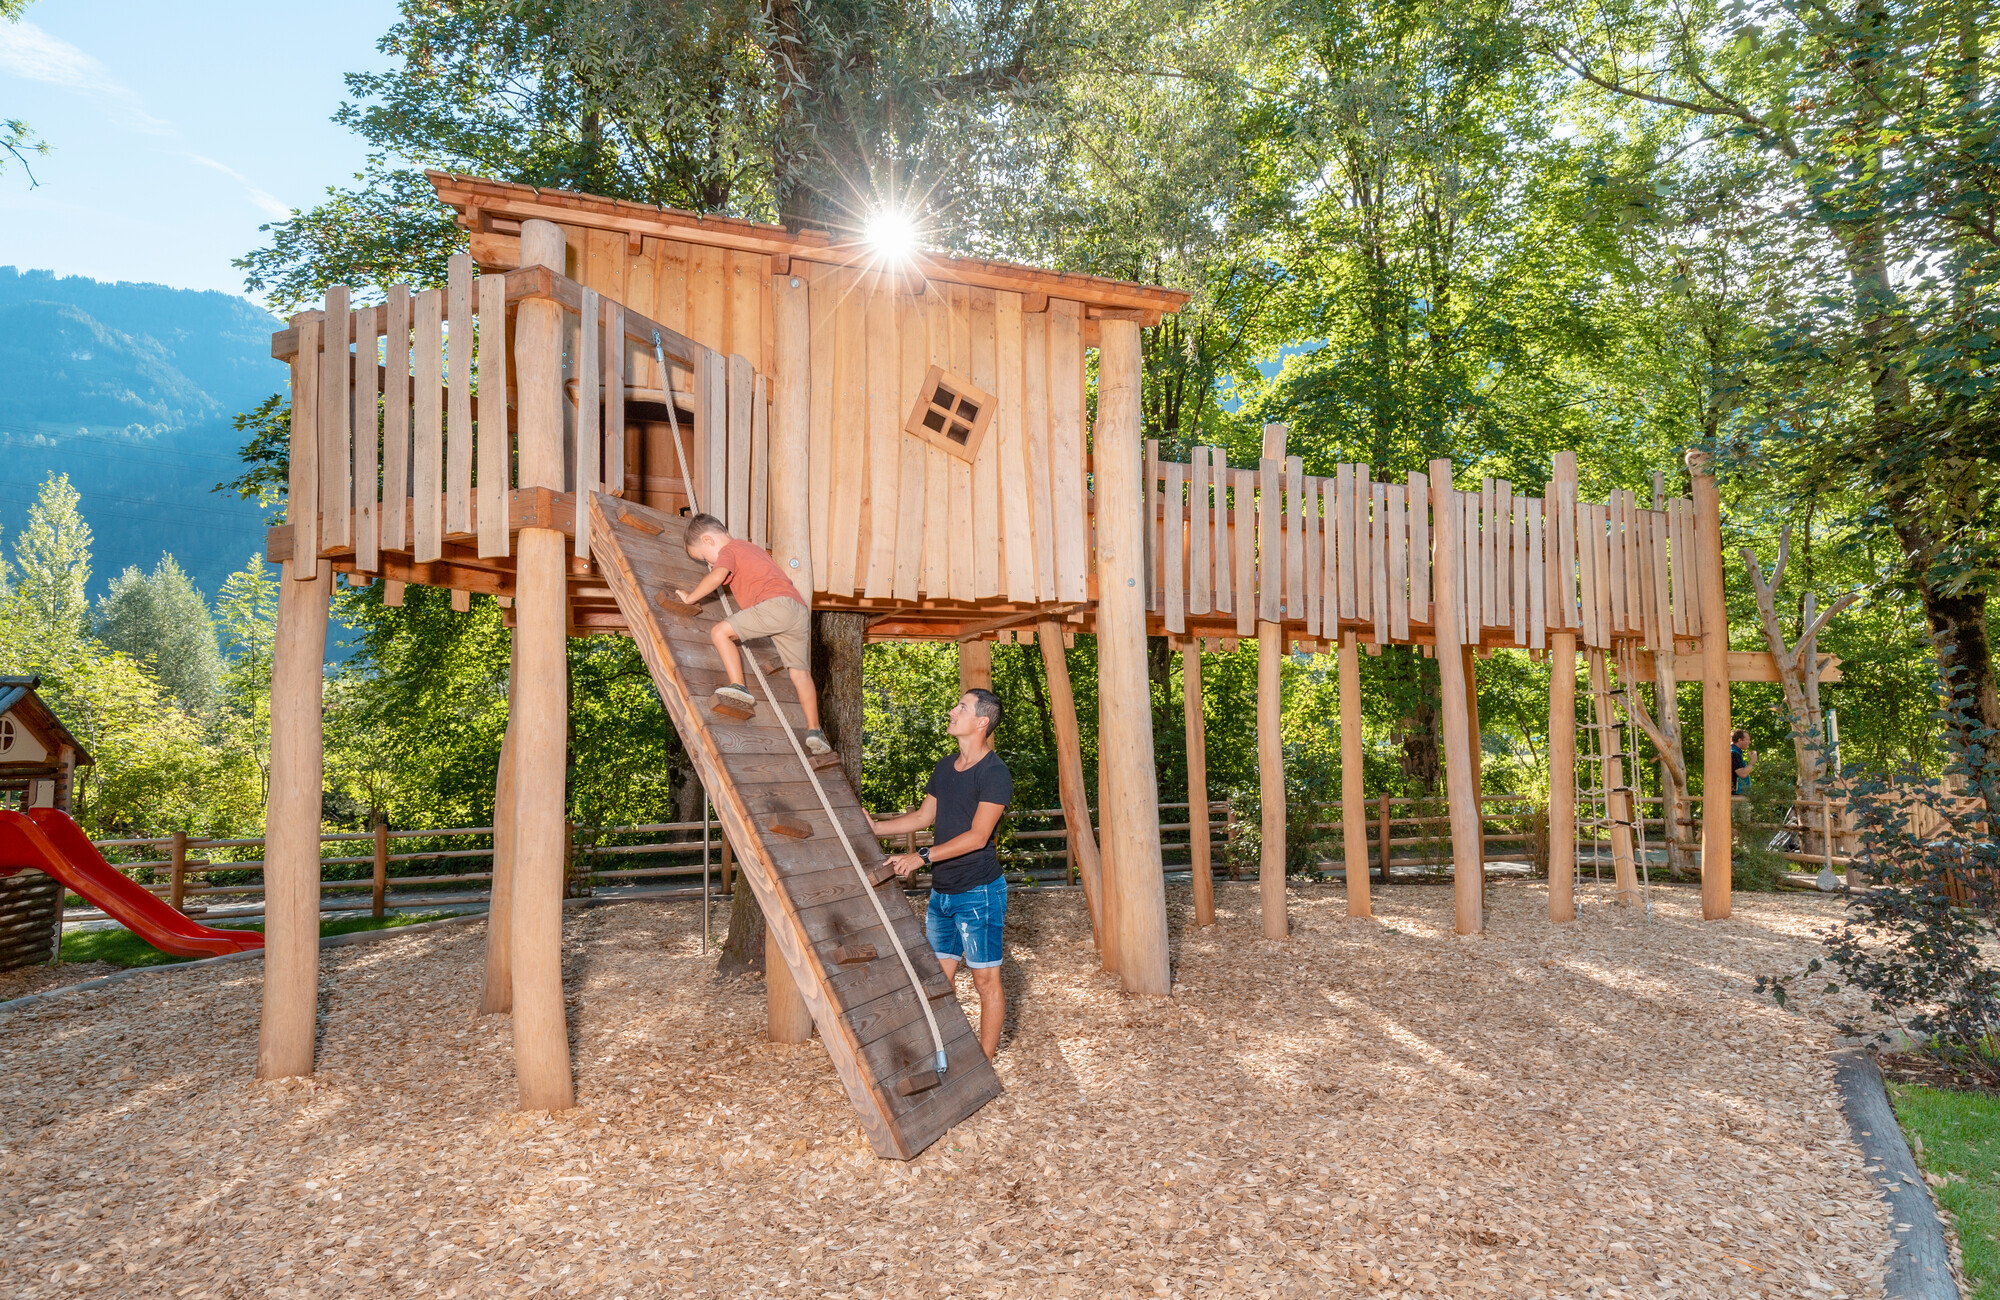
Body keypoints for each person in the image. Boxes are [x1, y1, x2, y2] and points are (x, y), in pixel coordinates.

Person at [868, 688, 1012, 1061]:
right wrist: (874, 829)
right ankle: (937, 1053)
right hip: (943, 894)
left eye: (961, 707)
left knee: (985, 980)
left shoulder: (995, 773)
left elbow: (978, 837)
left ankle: (984, 1062)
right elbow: (921, 817)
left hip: (979, 893)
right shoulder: (945, 766)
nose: (952, 710)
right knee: (936, 980)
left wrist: (922, 856)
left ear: (982, 721)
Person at [675, 512, 831, 756]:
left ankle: (739, 686)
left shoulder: (729, 550)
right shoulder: (749, 548)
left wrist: (690, 597)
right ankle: (815, 731)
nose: (709, 564)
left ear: (708, 540)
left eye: (705, 558)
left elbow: (716, 576)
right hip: (797, 610)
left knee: (720, 633)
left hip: (775, 606)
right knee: (800, 674)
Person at [1731, 729, 1756, 796]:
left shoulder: (1736, 752)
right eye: (1747, 739)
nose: (1749, 742)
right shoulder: (1734, 753)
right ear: (1739, 740)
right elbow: (1742, 774)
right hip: (1736, 795)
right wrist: (1752, 761)